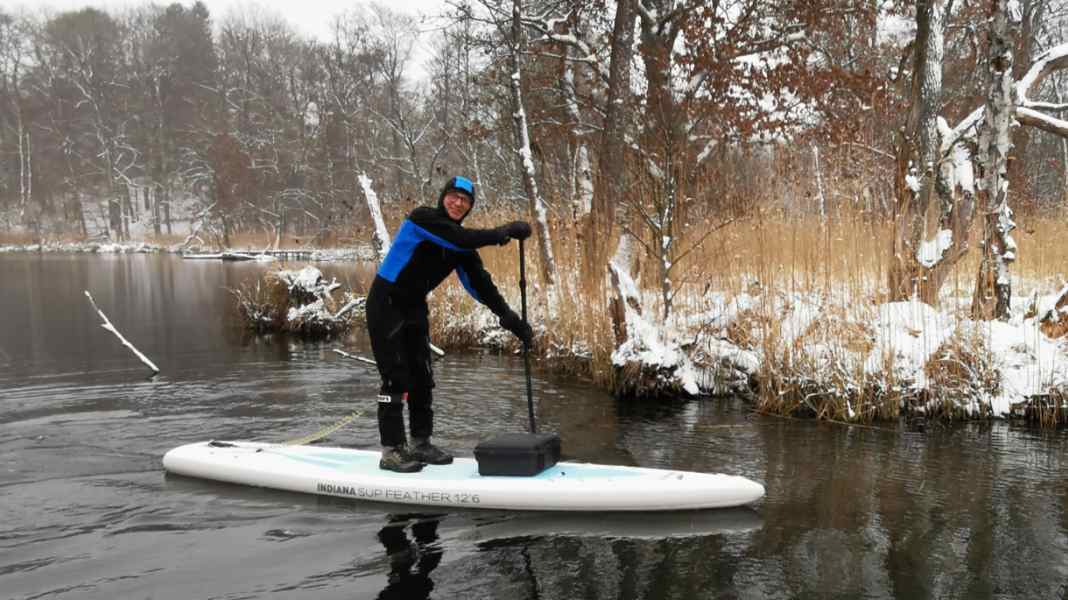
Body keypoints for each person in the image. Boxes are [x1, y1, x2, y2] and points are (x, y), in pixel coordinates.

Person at [366, 175, 534, 472]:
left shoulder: (462, 247)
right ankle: (391, 450)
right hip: (386, 304)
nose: (458, 203)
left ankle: (420, 443)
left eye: (465, 201)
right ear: (443, 197)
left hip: (414, 306)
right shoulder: (423, 219)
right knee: (396, 377)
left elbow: (480, 284)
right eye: (453, 196)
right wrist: (503, 232)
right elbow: (459, 238)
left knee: (422, 374)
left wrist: (510, 318)